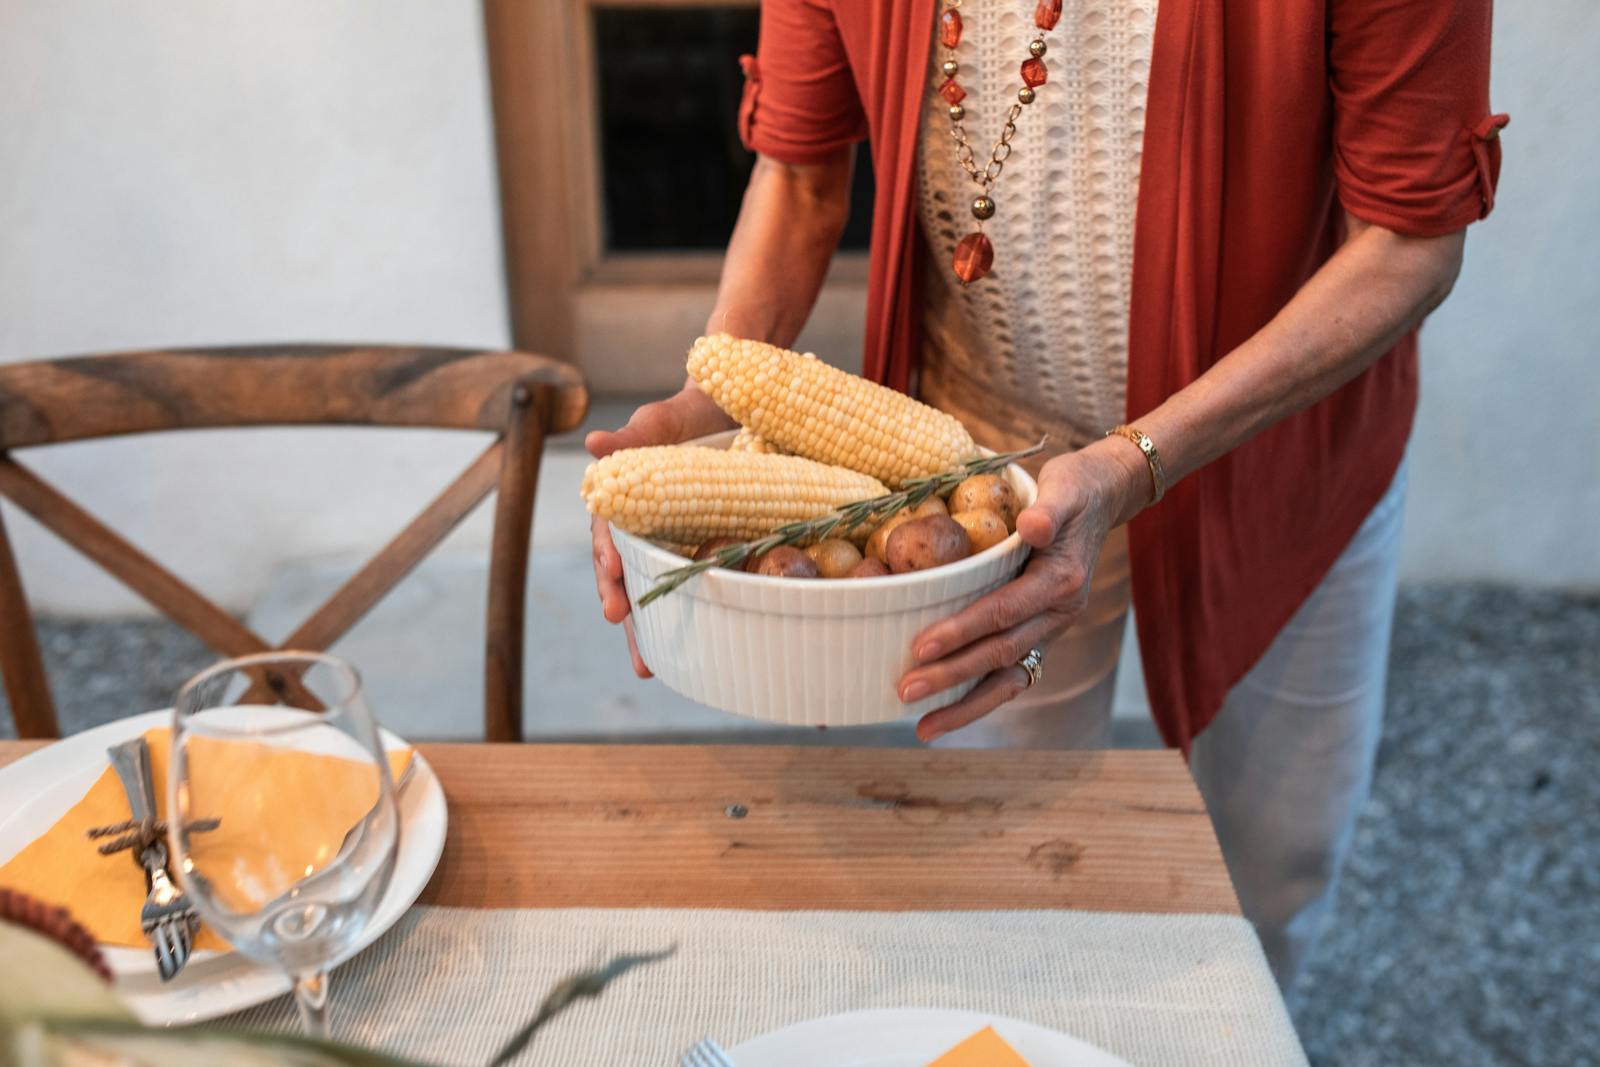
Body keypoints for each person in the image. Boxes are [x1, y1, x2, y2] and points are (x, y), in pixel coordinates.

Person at [587, 0, 1504, 987]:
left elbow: (1409, 241)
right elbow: (802, 177)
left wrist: (1130, 461)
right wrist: (710, 394)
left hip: (1277, 443)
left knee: (1274, 852)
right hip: (983, 463)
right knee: (987, 853)